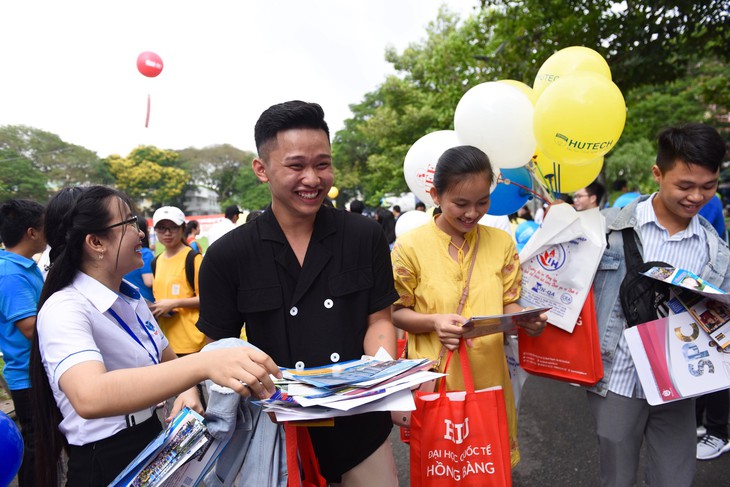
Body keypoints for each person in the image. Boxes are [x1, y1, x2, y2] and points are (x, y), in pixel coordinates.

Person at [197, 100, 399, 485]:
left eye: (322, 164)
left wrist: (382, 382)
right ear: (262, 169)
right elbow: (217, 349)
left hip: (360, 422)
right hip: (276, 430)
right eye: (296, 166)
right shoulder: (228, 255)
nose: (312, 178)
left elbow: (379, 320)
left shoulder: (364, 236)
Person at [29, 185, 281, 486]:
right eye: (128, 223)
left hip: (151, 439)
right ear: (96, 242)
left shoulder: (130, 297)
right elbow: (89, 395)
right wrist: (204, 364)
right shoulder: (66, 308)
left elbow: (165, 358)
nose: (140, 232)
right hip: (106, 458)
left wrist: (188, 392)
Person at [586, 123, 730, 485]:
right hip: (618, 380)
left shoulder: (715, 252)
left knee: (674, 478)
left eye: (708, 186)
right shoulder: (608, 229)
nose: (697, 196)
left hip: (680, 386)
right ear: (657, 173)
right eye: (684, 185)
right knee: (616, 478)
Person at [390, 145, 548, 468]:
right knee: (444, 467)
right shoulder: (410, 246)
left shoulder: (501, 242)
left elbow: (508, 302)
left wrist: (525, 319)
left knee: (488, 467)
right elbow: (395, 312)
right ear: (435, 195)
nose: (472, 213)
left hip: (490, 378)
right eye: (460, 203)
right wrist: (434, 322)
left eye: (482, 202)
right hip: (437, 380)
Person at [0, 199, 46, 487]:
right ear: (32, 232)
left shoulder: (23, 267)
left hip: (35, 373)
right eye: (46, 227)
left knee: (44, 445)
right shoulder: (11, 274)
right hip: (27, 378)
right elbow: (30, 327)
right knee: (36, 448)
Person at [149, 206, 205, 355]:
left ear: (182, 229)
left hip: (193, 342)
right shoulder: (157, 261)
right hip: (165, 343)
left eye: (173, 227)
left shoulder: (193, 258)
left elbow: (208, 298)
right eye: (161, 228)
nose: (167, 233)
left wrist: (175, 303)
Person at [124, 216, 154, 304]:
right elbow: (149, 281)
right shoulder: (145, 253)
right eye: (147, 228)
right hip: (146, 303)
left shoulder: (123, 255)